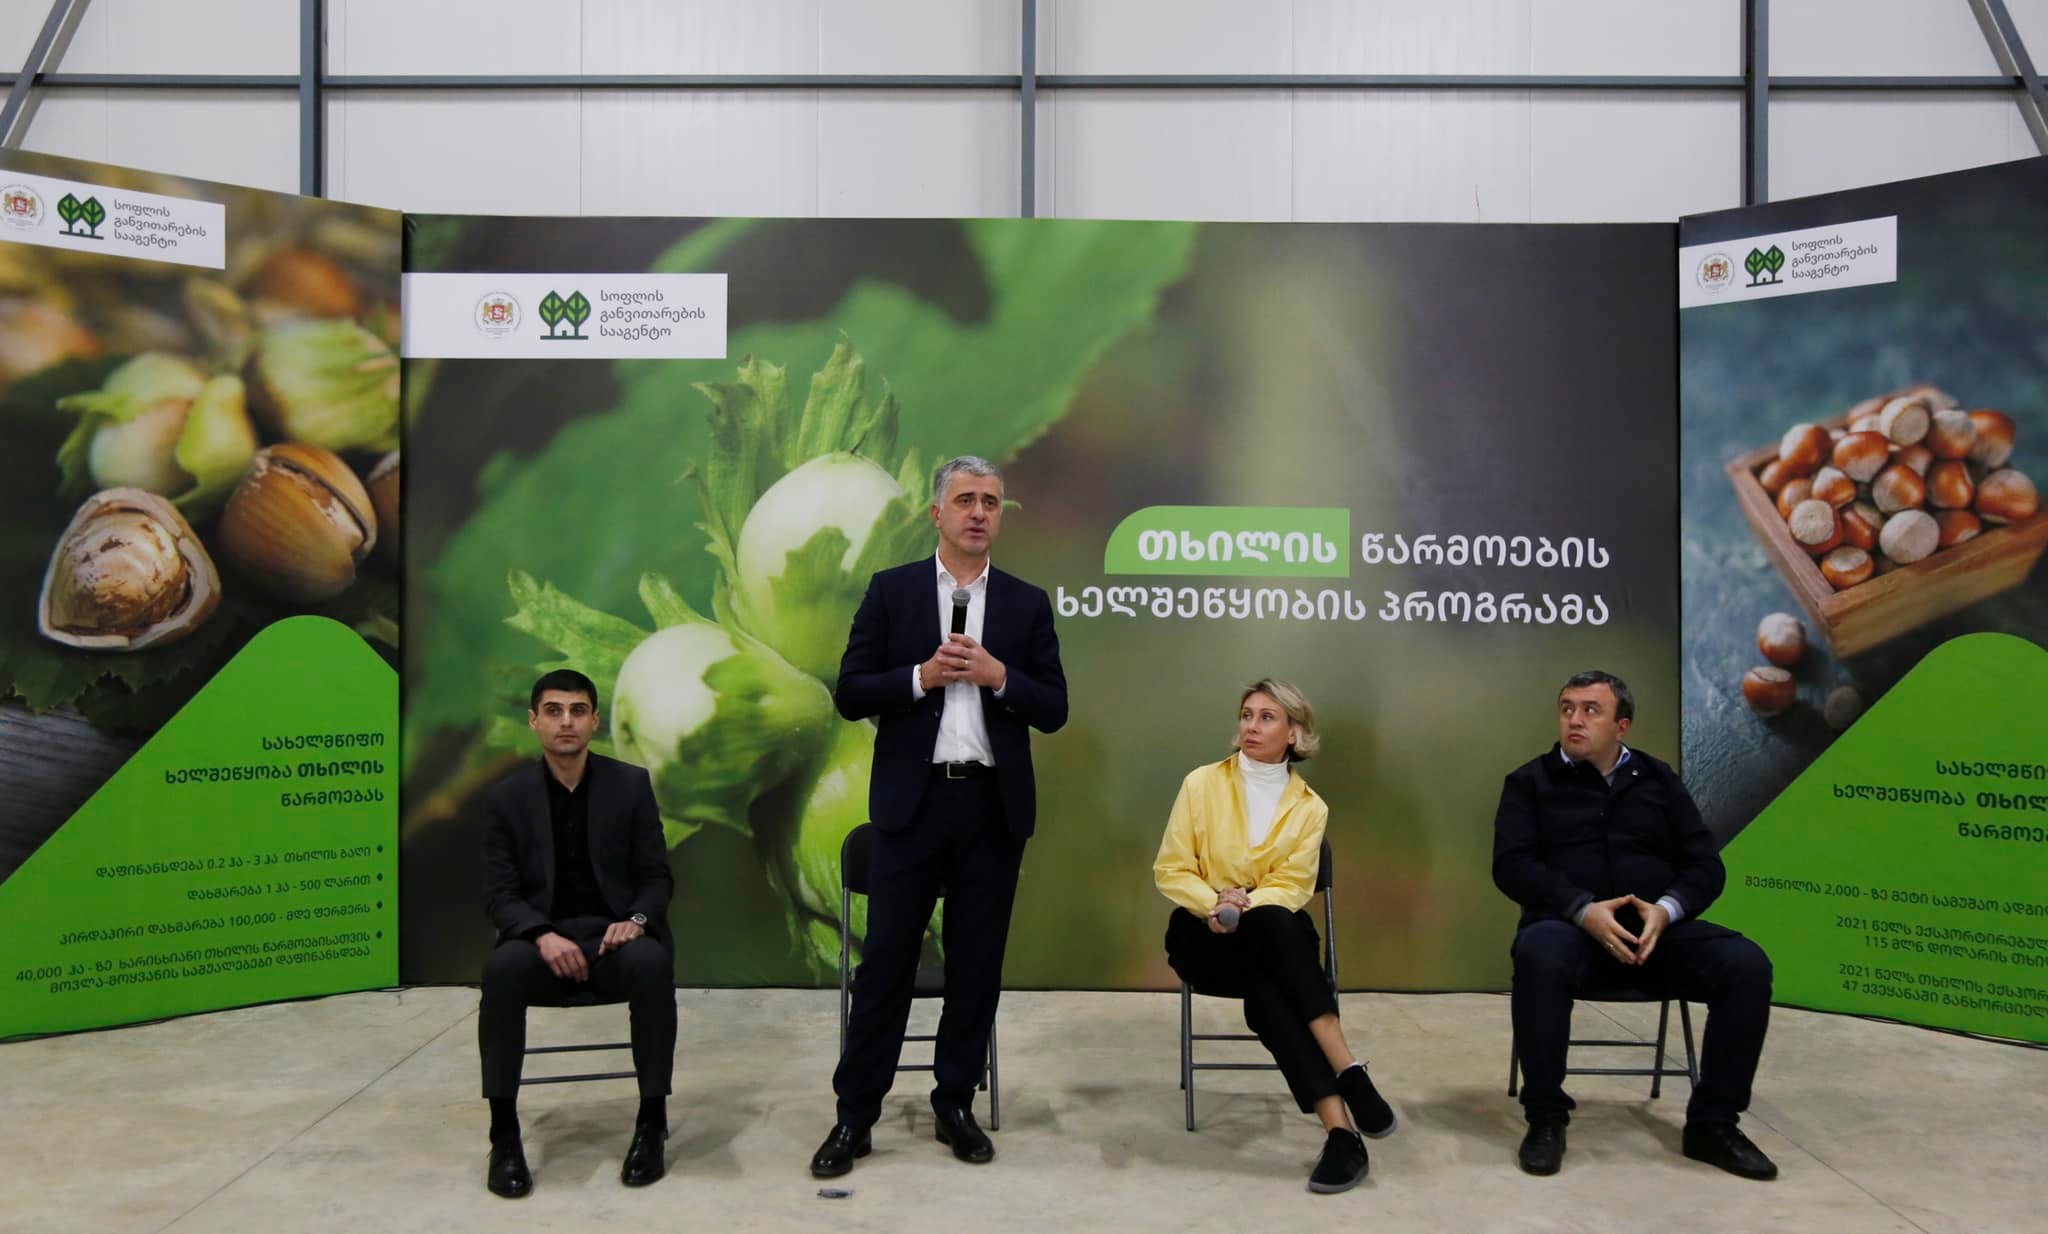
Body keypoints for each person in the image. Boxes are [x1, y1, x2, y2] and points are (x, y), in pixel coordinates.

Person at [810, 455, 1069, 1177]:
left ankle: (954, 1102)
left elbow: (1054, 707)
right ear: (937, 513)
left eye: (991, 501)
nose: (979, 512)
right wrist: (921, 677)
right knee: (886, 965)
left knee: (976, 968)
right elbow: (850, 692)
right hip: (911, 806)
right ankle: (854, 1116)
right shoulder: (891, 592)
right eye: (965, 500)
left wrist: (1000, 677)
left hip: (991, 807)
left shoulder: (1025, 603)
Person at [1492, 670, 1778, 1181]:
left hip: (1656, 939)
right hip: (1569, 934)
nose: (1574, 720)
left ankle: (1712, 1124)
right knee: (1538, 953)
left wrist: (1666, 909)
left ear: (1621, 725)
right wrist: (1583, 909)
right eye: (1567, 708)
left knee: (1746, 964)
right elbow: (1512, 865)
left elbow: (1705, 866)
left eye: (1590, 710)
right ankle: (1546, 1119)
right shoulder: (1529, 782)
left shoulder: (1658, 780)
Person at [1153, 679, 1397, 1195]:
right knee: (1275, 948)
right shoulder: (1201, 784)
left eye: (1267, 717)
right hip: (1202, 935)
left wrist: (1241, 905)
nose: (1251, 726)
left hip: (1272, 935)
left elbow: (1292, 886)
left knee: (1269, 978)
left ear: (1294, 732)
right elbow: (1171, 869)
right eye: (1247, 714)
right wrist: (1213, 903)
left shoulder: (1310, 808)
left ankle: (1342, 1135)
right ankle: (1349, 1071)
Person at [478, 669, 676, 1198]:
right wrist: (541, 935)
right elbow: (500, 895)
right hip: (542, 943)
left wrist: (636, 922)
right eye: (553, 710)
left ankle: (651, 1122)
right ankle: (504, 1135)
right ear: (533, 721)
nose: (566, 721)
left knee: (652, 964)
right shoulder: (506, 798)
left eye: (577, 710)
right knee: (501, 971)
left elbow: (656, 876)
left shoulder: (630, 785)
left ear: (594, 721)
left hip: (614, 939)